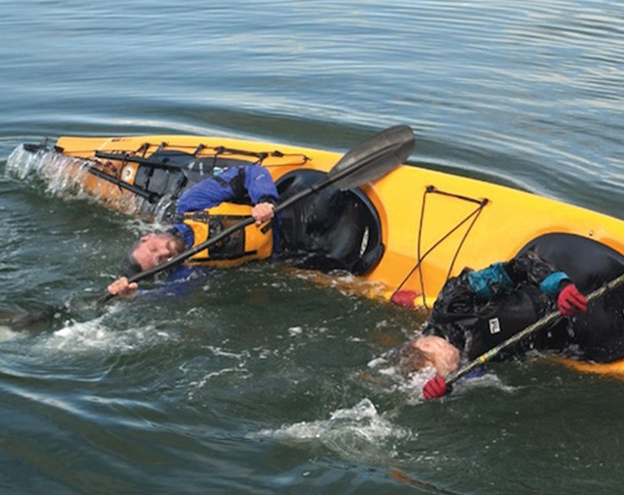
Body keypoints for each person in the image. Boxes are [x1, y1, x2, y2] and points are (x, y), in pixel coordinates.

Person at [106, 163, 383, 296]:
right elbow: (171, 295)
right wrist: (136, 296)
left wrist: (264, 200)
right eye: (158, 261)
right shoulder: (187, 270)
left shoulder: (192, 204)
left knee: (335, 206)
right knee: (343, 266)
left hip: (296, 208)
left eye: (154, 248)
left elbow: (250, 172)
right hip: (294, 253)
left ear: (148, 236)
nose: (163, 253)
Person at [394, 249, 589, 399]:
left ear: (426, 344)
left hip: (556, 289)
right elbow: (470, 387)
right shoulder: (464, 364)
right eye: (450, 372)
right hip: (561, 336)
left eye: (448, 365)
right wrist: (446, 393)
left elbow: (521, 265)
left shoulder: (454, 301)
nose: (454, 368)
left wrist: (559, 285)